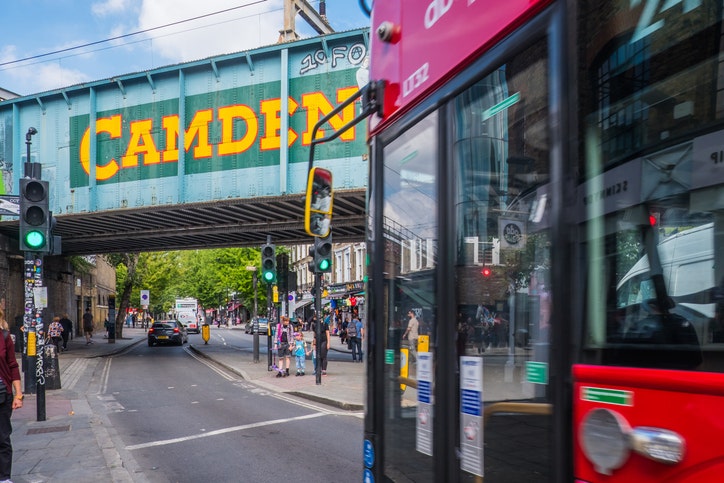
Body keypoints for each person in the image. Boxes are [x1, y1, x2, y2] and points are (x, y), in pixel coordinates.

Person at [0, 307, 23, 483]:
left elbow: (12, 365)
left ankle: (4, 477)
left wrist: (18, 394)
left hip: (2, 394)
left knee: (3, 437)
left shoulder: (5, 337)